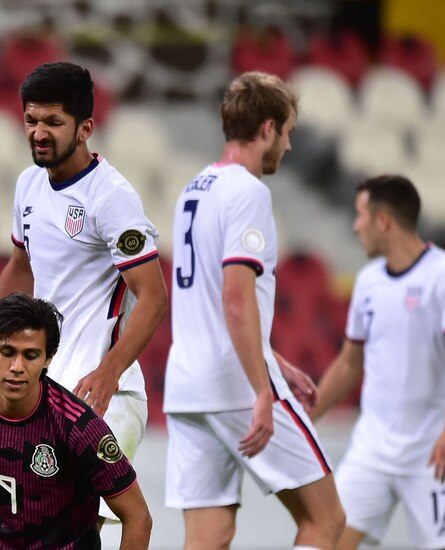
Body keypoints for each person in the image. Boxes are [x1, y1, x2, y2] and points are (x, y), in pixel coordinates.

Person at [0, 62, 168, 525]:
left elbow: (153, 296)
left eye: (53, 123)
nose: (39, 132)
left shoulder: (110, 197)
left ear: (85, 128)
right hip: (48, 389)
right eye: (31, 121)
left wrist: (109, 371)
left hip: (103, 397)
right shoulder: (28, 184)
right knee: (34, 527)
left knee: (70, 527)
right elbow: (22, 264)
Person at [164, 71, 345, 550]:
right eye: (286, 134)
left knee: (209, 536)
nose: (287, 147)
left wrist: (274, 357)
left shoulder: (193, 190)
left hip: (187, 386)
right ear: (267, 128)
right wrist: (264, 389)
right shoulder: (249, 192)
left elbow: (205, 299)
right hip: (236, 387)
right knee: (326, 519)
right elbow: (235, 296)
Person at [311, 175, 445, 550]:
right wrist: (304, 423)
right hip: (372, 449)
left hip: (432, 451)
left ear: (383, 220)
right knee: (327, 536)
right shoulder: (368, 281)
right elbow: (348, 364)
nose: (356, 226)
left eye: (360, 215)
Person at [0, 292, 152, 549]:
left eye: (31, 355)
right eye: (7, 351)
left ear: (48, 357)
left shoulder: (80, 427)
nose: (17, 366)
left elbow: (138, 516)